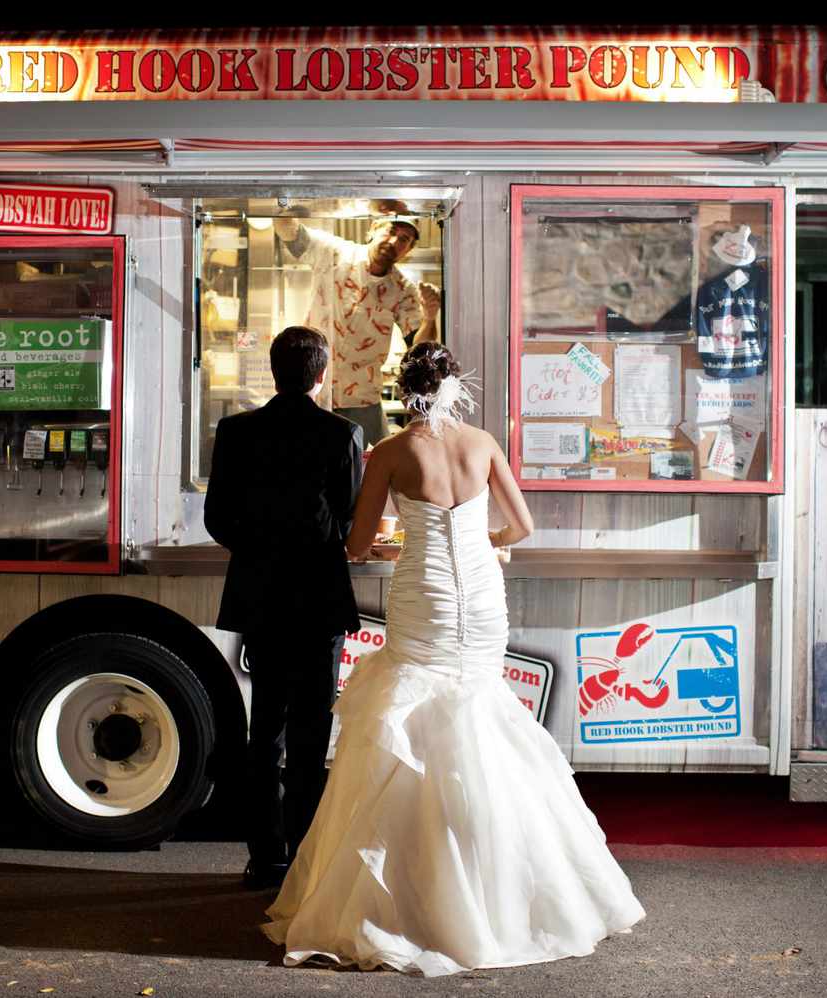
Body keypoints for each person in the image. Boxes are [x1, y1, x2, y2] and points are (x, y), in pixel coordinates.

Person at [262, 342, 645, 976]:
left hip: (426, 594)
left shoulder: (387, 452)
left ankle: (417, 893)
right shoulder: (484, 442)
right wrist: (484, 540)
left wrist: (394, 546)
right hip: (481, 592)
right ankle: (503, 889)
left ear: (402, 391)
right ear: (452, 386)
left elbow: (357, 544)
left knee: (413, 718)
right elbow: (521, 527)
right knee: (480, 712)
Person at [204, 326, 364, 891]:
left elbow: (216, 519)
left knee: (264, 727)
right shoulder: (343, 433)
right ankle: (303, 856)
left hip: (260, 596)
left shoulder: (236, 430)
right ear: (322, 375)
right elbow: (348, 518)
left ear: (273, 372)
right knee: (311, 730)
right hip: (319, 596)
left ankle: (265, 857)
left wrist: (260, 550)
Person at [274, 211, 442, 445]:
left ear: (408, 250)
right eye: (391, 231)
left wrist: (430, 317)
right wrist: (286, 203)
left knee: (372, 463)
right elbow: (289, 232)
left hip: (362, 400)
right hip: (310, 390)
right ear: (373, 229)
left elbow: (421, 347)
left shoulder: (403, 290)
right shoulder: (332, 252)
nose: (394, 241)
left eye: (404, 239)